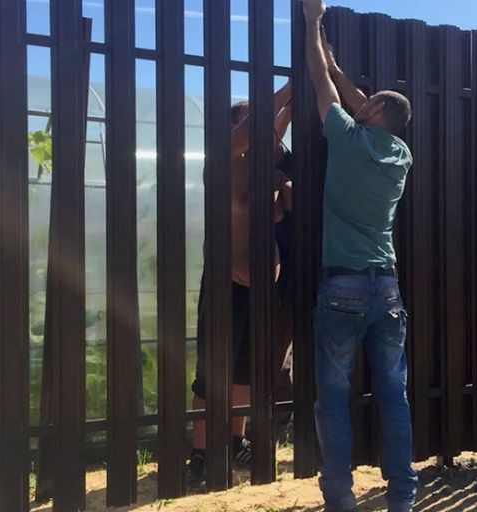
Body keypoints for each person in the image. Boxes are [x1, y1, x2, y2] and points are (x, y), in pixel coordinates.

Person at [300, 1, 417, 511]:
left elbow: (319, 83)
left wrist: (312, 24)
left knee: (333, 398)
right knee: (394, 395)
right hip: (386, 288)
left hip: (342, 287)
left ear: (371, 114)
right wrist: (338, 65)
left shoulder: (346, 139)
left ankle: (340, 498)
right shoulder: (401, 155)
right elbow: (368, 104)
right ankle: (402, 497)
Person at [188, 83, 293, 488]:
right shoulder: (221, 162)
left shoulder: (266, 169)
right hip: (226, 286)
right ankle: (201, 456)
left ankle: (235, 441)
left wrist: (294, 100)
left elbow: (273, 136)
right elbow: (260, 130)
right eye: (251, 123)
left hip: (262, 289)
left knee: (247, 370)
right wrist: (289, 89)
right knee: (213, 371)